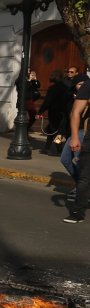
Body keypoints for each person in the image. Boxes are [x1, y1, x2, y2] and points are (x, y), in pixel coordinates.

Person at [64, 73, 90, 222]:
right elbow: (75, 112)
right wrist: (74, 137)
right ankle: (78, 213)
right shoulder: (88, 85)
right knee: (86, 177)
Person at [39, 71, 73, 155]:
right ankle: (47, 147)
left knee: (58, 133)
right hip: (64, 113)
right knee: (50, 130)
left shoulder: (53, 88)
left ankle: (59, 150)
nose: (50, 77)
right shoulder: (66, 87)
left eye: (51, 75)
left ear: (56, 77)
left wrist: (40, 112)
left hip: (56, 113)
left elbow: (47, 101)